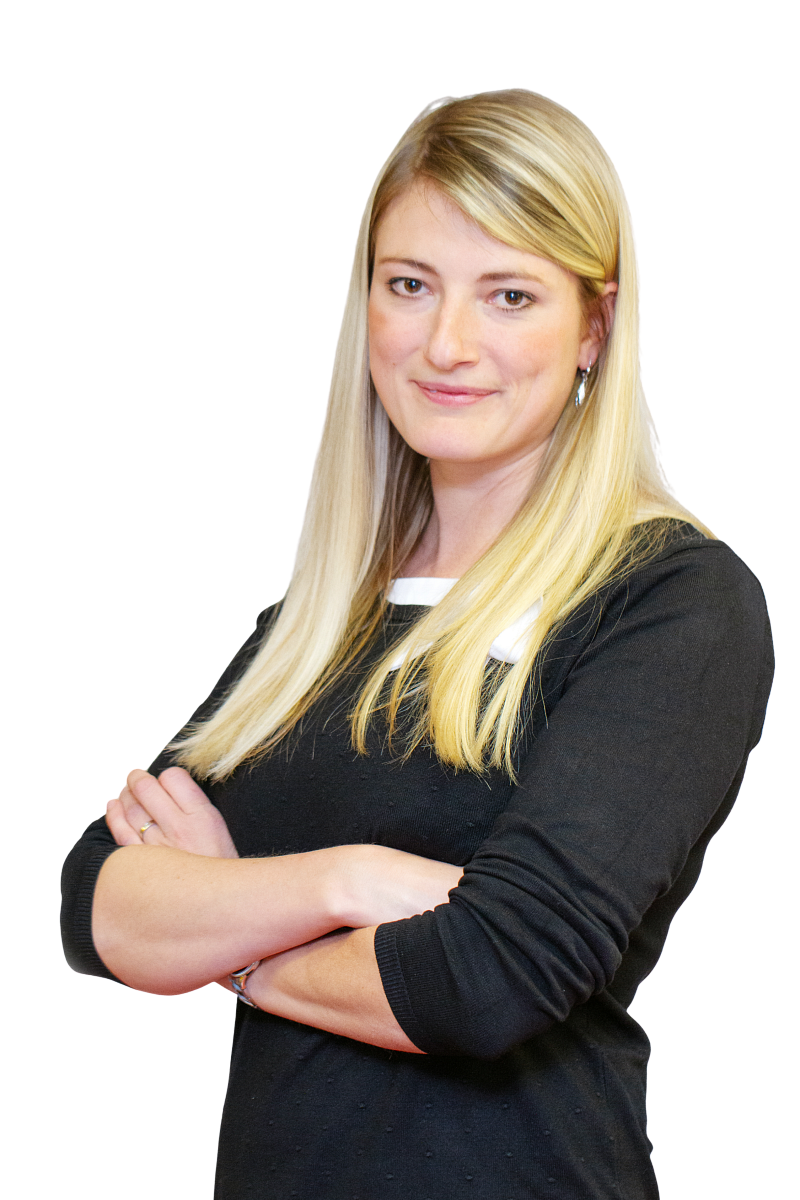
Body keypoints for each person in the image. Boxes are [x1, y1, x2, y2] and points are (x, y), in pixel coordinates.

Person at [60, 89, 774, 1199]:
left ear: (593, 325)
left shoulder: (671, 601)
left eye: (509, 295)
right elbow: (97, 900)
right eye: (409, 285)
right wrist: (349, 881)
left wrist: (234, 940)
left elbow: (487, 980)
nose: (447, 344)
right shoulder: (324, 616)